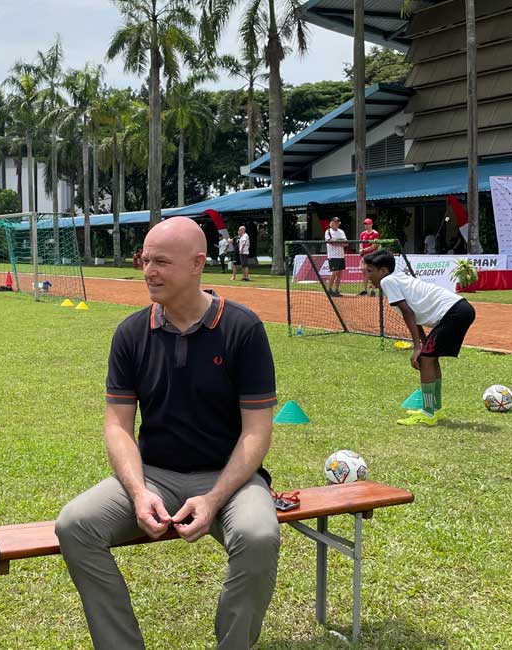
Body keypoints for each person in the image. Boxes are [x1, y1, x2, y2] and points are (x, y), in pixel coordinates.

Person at [56, 216, 280, 650]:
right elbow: (117, 426)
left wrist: (214, 498)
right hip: (154, 475)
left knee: (258, 537)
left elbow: (256, 432)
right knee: (75, 525)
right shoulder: (131, 333)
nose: (148, 271)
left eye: (161, 262)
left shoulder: (242, 329)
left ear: (198, 264)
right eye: (145, 260)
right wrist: (139, 492)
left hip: (228, 479)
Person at [363, 249, 476, 426]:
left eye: (370, 271)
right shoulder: (397, 278)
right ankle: (434, 409)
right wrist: (422, 344)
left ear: (383, 271)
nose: (367, 276)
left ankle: (428, 413)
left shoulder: (388, 281)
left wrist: (417, 348)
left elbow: (408, 313)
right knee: (430, 357)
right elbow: (412, 315)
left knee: (426, 359)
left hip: (453, 313)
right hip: (460, 309)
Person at [324, 217, 348, 297]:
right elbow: (330, 242)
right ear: (331, 223)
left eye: (337, 222)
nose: (336, 223)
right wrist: (339, 243)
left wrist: (336, 242)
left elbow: (346, 243)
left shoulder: (341, 232)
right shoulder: (328, 231)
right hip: (333, 255)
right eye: (335, 222)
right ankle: (329, 289)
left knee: (340, 274)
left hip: (341, 255)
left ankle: (337, 290)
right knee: (335, 272)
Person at [357, 218, 380, 297]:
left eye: (368, 224)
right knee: (364, 272)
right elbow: (360, 243)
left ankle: (373, 290)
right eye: (365, 224)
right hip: (364, 256)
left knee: (372, 272)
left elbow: (375, 245)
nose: (366, 225)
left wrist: (365, 249)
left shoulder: (375, 233)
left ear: (371, 224)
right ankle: (364, 289)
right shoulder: (362, 234)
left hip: (372, 255)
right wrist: (361, 249)